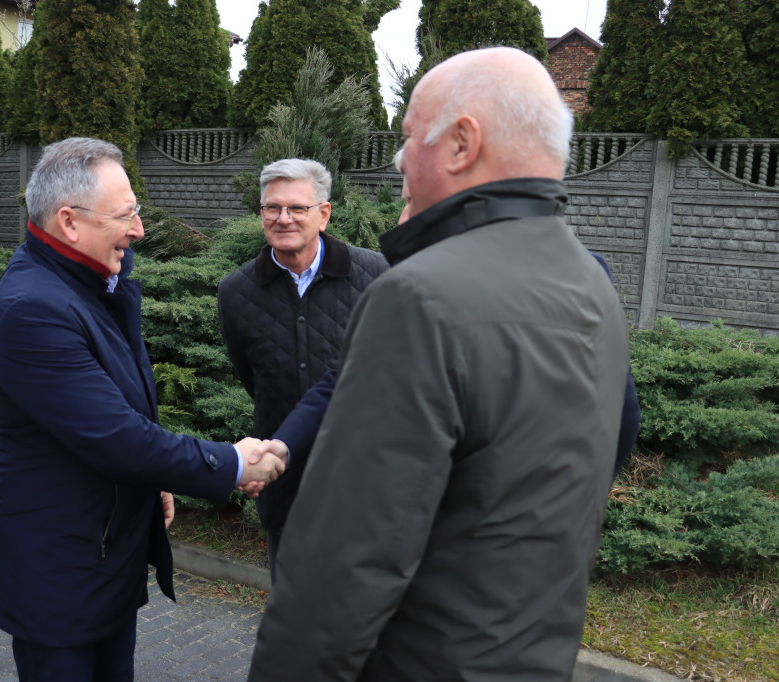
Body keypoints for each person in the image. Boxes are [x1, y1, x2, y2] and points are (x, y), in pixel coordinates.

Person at [248, 47, 634, 681]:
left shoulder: (419, 295)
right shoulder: (592, 284)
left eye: (408, 138)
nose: (400, 161)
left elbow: (349, 559)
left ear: (461, 143)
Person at [0, 137, 285, 682]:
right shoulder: (35, 311)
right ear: (69, 222)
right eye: (126, 215)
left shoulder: (93, 286)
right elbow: (116, 437)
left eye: (137, 212)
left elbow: (117, 412)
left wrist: (154, 479)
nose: (139, 229)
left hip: (103, 562)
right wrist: (234, 464)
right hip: (60, 579)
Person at [217, 158, 388, 579]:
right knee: (293, 620)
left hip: (366, 482)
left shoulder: (376, 276)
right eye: (272, 208)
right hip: (285, 486)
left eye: (297, 208)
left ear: (324, 214)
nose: (283, 218)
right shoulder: (236, 293)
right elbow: (254, 379)